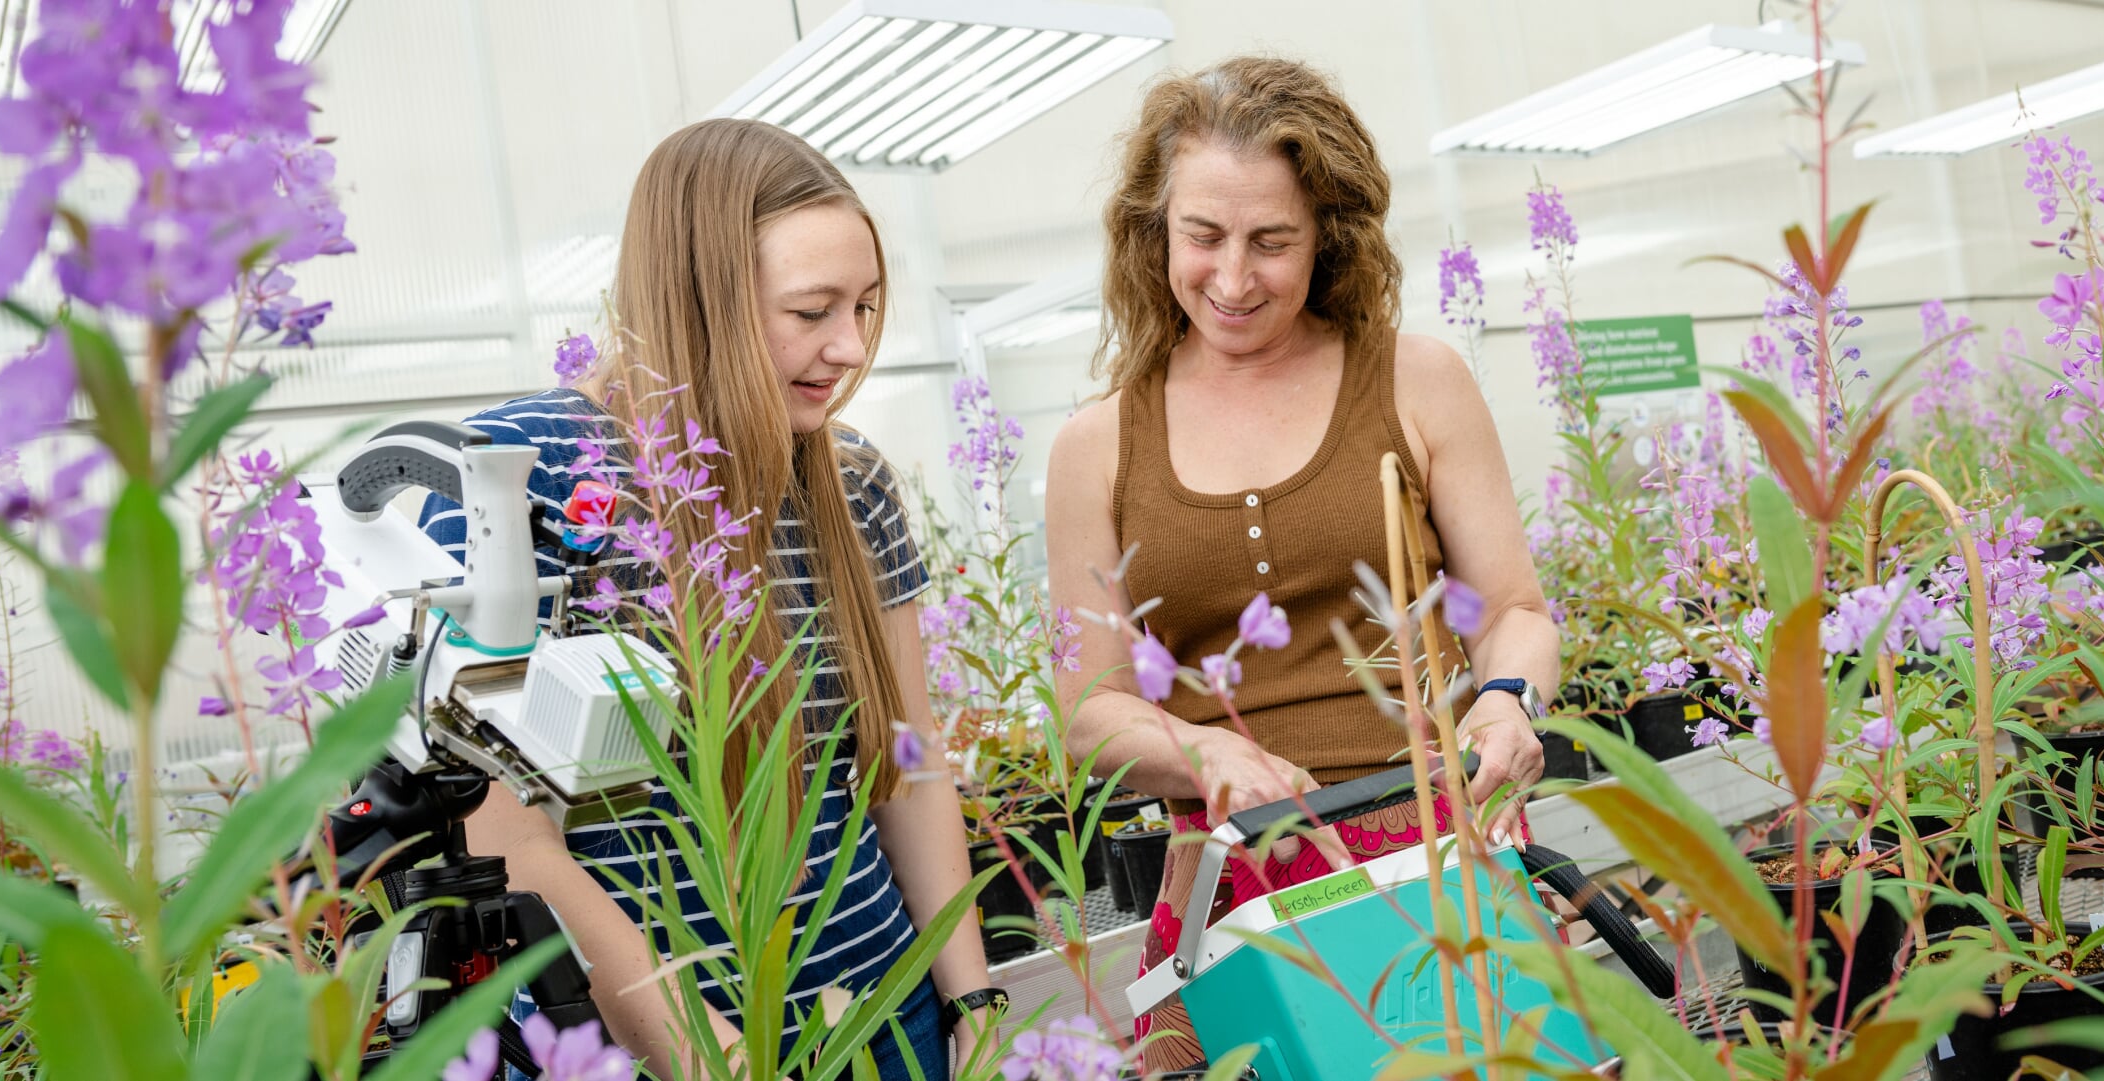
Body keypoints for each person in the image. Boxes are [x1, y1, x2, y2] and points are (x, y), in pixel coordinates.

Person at [415, 119, 996, 1081]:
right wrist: (710, 1054)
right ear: (701, 300)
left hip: (887, 1023)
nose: (850, 346)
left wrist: (971, 998)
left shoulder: (849, 482)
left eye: (865, 306)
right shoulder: (513, 482)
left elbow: (911, 756)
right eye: (811, 311)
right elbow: (511, 835)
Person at [1044, 56, 1556, 1071]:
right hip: (1231, 889)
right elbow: (1089, 708)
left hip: (1437, 860)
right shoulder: (1097, 445)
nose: (1233, 279)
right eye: (1203, 237)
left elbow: (1514, 609)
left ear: (1330, 233)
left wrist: (1506, 699)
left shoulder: (1417, 381)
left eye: (1271, 242)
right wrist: (1208, 755)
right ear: (1155, 231)